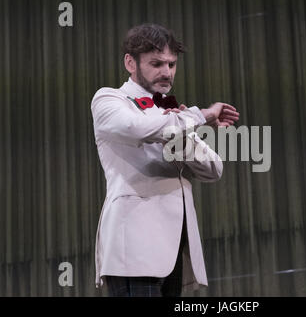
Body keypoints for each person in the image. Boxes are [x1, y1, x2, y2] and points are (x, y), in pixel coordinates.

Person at [90, 23, 240, 297]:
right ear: (130, 62)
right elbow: (137, 128)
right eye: (156, 63)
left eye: (171, 64)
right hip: (133, 247)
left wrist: (182, 131)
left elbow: (213, 168)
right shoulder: (110, 99)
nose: (166, 72)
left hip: (173, 251)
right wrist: (200, 116)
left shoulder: (171, 114)